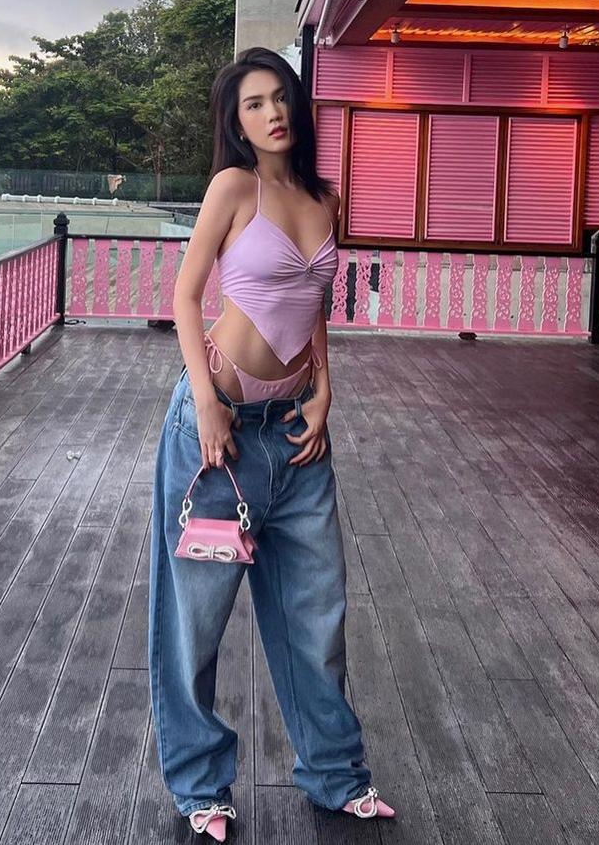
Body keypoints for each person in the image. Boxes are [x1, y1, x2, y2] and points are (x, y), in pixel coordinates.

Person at [147, 47, 396, 840]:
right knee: (196, 619)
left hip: (294, 436)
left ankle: (336, 776)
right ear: (237, 121)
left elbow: (314, 301)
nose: (271, 112)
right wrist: (208, 405)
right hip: (217, 438)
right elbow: (186, 295)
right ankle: (200, 786)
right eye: (253, 103)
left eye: (279, 96)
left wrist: (324, 385)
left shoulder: (325, 197)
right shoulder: (233, 187)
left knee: (317, 616)